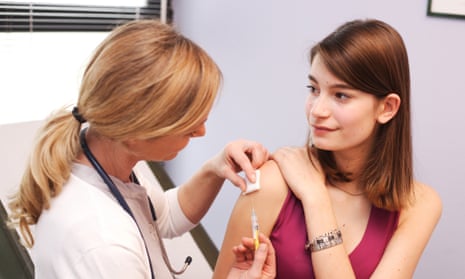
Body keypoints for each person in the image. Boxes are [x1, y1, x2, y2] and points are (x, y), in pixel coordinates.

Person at [8, 20, 276, 279]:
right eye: (188, 126)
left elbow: (165, 215)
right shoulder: (104, 244)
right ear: (137, 132)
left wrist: (216, 168)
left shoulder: (98, 155)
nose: (200, 132)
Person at [213, 18, 442, 279]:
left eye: (341, 95)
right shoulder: (271, 183)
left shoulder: (419, 204)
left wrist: (315, 199)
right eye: (314, 89)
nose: (317, 111)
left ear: (387, 108)